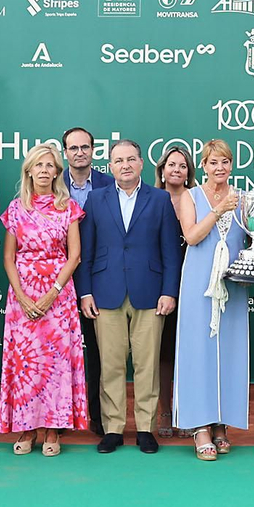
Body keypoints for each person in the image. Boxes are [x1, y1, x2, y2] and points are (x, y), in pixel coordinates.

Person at [76, 139, 182, 453]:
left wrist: (169, 291)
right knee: (110, 365)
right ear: (109, 166)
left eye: (131, 159)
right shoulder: (95, 200)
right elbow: (86, 251)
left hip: (150, 293)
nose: (125, 165)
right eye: (119, 160)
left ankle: (146, 429)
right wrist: (85, 292)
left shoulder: (160, 199)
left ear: (141, 164)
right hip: (105, 292)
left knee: (147, 365)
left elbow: (170, 253)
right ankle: (113, 428)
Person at [0, 144, 88, 455]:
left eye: (51, 165)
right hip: (22, 293)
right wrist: (22, 297)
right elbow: (9, 258)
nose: (45, 171)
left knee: (55, 364)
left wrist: (52, 292)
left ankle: (52, 430)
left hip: (58, 294)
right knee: (25, 364)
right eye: (39, 165)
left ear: (57, 172)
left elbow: (74, 255)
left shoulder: (68, 208)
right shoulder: (15, 208)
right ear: (29, 171)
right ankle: (25, 429)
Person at [171, 140, 247, 460]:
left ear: (231, 165)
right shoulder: (191, 196)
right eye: (213, 162)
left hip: (233, 284)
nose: (220, 168)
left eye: (225, 162)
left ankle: (221, 424)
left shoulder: (243, 198)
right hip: (198, 281)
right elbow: (191, 236)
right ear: (203, 165)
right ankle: (199, 427)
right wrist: (218, 210)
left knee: (230, 352)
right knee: (197, 352)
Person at [62, 125, 113, 436]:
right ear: (65, 152)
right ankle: (61, 416)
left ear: (93, 151)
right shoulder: (50, 184)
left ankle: (98, 416)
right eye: (73, 148)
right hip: (58, 278)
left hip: (99, 276)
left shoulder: (109, 183)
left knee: (97, 351)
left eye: (85, 147)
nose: (79, 153)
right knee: (60, 351)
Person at [154, 144, 195, 436]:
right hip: (161, 284)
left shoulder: (198, 199)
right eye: (172, 164)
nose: (176, 170)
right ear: (162, 170)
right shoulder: (153, 200)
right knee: (164, 351)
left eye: (182, 165)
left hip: (193, 281)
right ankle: (164, 411)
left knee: (189, 351)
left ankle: (186, 411)